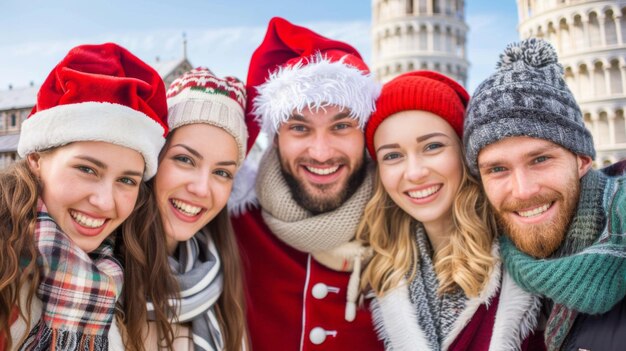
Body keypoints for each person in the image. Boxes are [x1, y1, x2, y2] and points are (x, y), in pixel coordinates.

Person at [0, 43, 171, 350]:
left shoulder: (123, 274)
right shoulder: (7, 271)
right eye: (87, 169)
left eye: (126, 180)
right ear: (36, 159)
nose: (105, 202)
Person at [358, 70, 544, 350]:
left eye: (432, 146)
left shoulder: (532, 258)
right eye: (393, 156)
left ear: (465, 152)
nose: (415, 172)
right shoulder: (383, 276)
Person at [229, 17, 383, 350]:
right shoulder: (234, 224)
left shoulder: (405, 225)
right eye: (300, 128)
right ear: (276, 138)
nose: (322, 152)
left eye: (341, 126)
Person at [464, 37, 626, 351]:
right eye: (497, 169)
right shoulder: (494, 274)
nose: (523, 190)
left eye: (540, 159)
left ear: (581, 161)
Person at [123, 67, 250, 351]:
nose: (202, 189)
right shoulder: (98, 276)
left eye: (222, 173)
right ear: (154, 159)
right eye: (185, 159)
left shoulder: (218, 281)